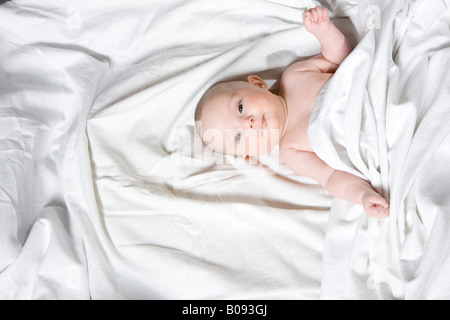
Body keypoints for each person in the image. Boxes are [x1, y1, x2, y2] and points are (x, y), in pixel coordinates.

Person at [194, 6, 389, 219]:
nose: (248, 123)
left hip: (378, 93)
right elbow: (331, 177)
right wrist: (362, 196)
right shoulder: (292, 151)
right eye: (238, 136)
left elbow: (341, 61)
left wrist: (324, 32)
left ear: (258, 84)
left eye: (240, 108)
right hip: (378, 138)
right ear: (249, 155)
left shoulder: (294, 76)